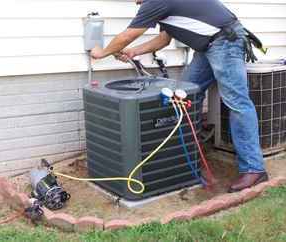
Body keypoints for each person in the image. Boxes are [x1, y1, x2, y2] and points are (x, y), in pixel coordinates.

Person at [90, 0, 268, 193]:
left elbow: (127, 35)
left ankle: (253, 168)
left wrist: (102, 52)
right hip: (210, 45)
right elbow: (164, 40)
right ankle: (186, 156)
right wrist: (133, 52)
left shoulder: (156, 1)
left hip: (225, 42)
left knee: (237, 103)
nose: (136, 2)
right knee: (185, 95)